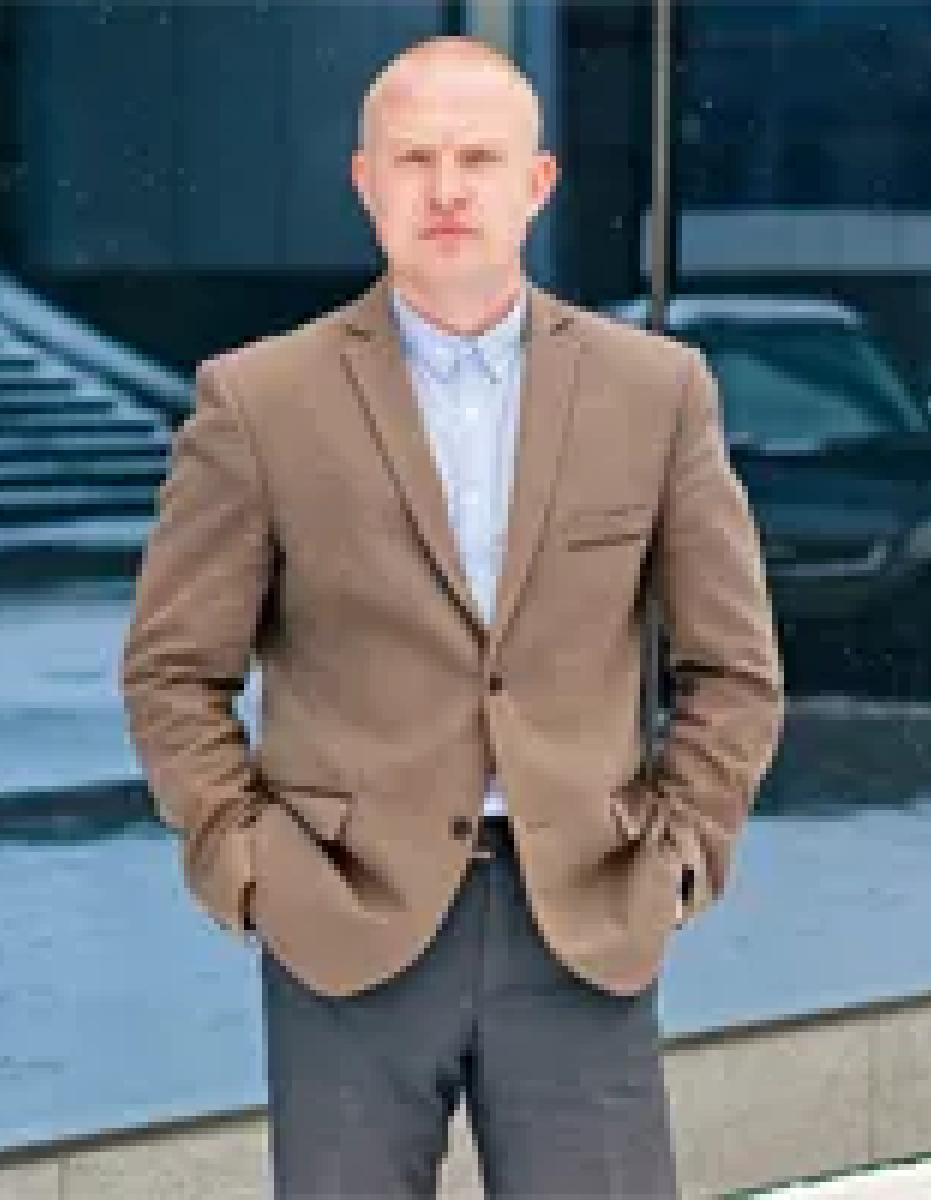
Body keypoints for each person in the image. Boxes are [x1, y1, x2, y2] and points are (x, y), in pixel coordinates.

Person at [122, 34, 784, 1200]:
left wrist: (680, 852)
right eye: (413, 158)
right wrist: (250, 864)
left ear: (538, 183)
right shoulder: (258, 400)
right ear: (364, 182)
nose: (445, 189)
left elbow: (733, 667)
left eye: (478, 159)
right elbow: (173, 673)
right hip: (343, 919)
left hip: (584, 916)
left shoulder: (657, 392)